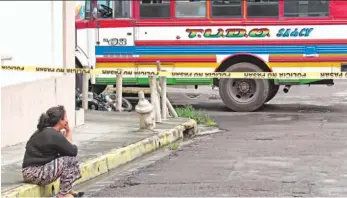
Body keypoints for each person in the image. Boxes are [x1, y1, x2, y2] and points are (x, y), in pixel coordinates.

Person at [22, 105, 84, 198]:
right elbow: (72, 151)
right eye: (66, 117)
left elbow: (66, 150)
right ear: (60, 120)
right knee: (70, 160)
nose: (67, 120)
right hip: (34, 173)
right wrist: (68, 131)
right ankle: (63, 194)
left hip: (30, 172)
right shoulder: (53, 135)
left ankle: (67, 190)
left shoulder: (46, 131)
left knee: (67, 160)